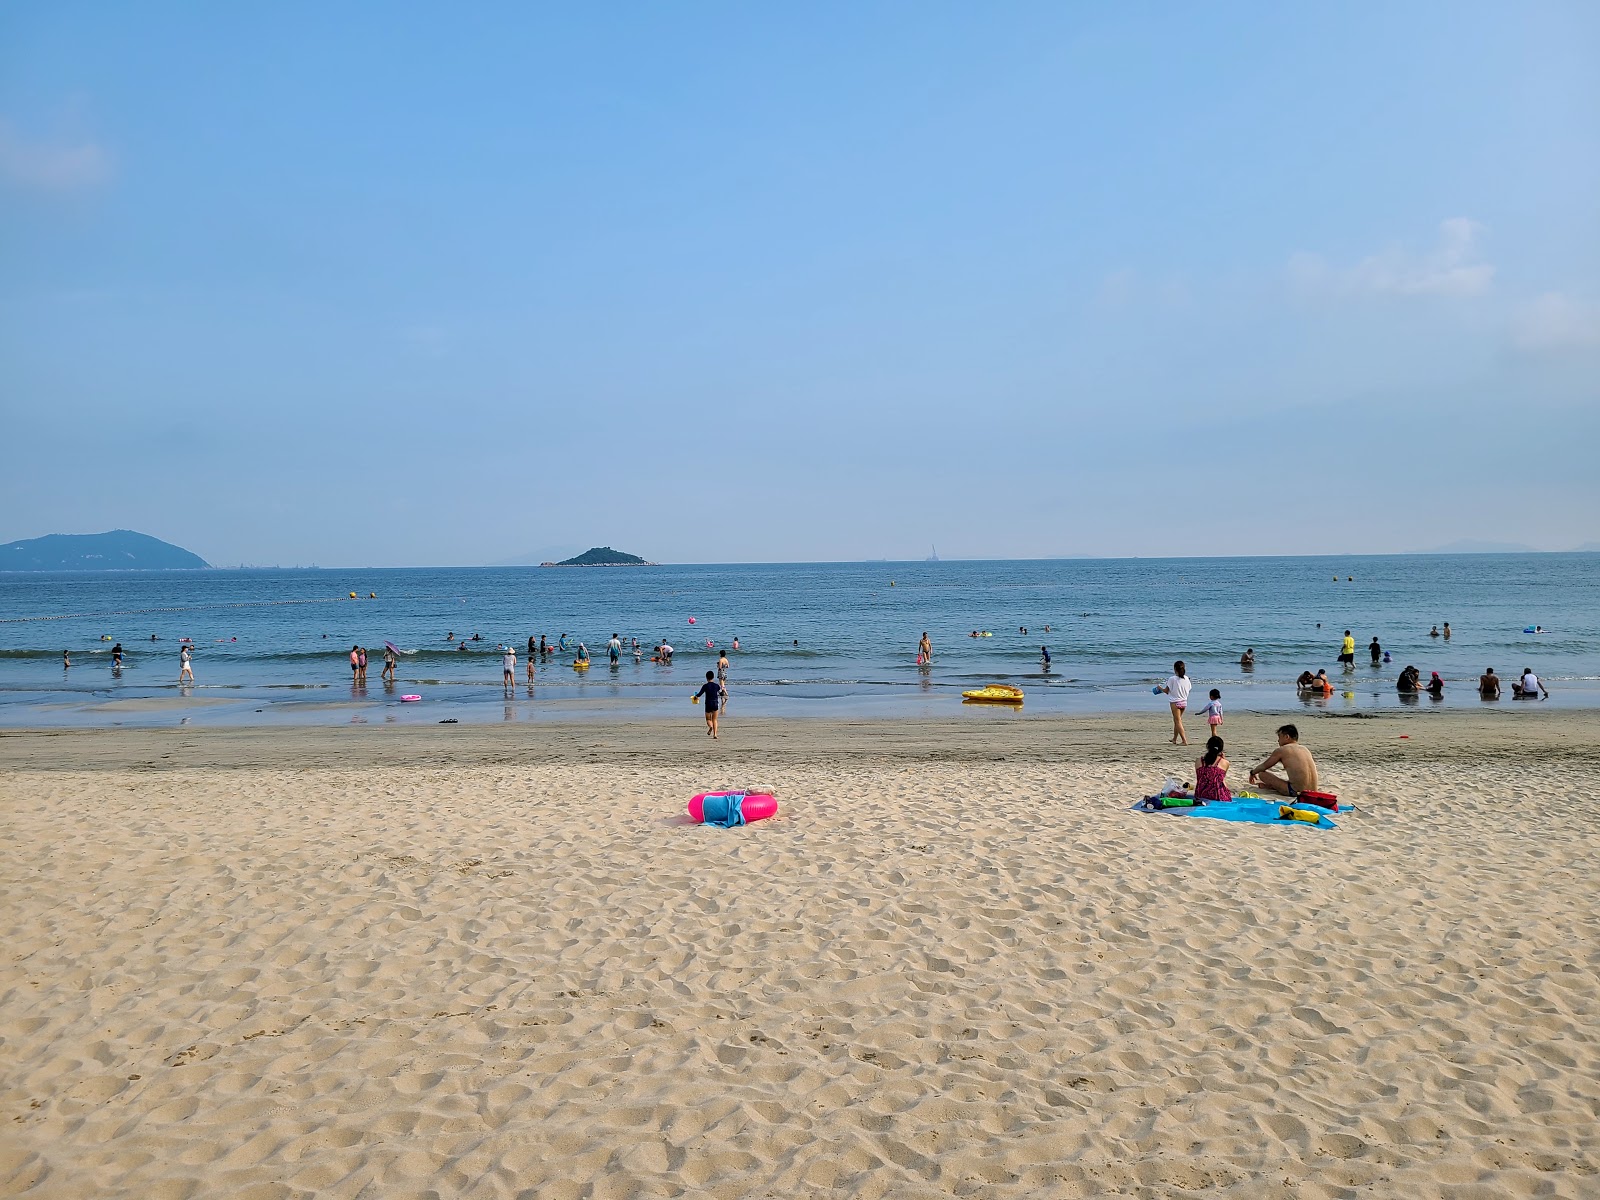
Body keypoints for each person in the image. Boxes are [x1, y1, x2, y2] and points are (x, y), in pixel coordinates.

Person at [1248, 724, 1319, 797]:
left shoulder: (1282, 750)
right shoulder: (1305, 749)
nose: (1278, 740)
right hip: (1313, 792)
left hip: (1296, 792)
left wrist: (1252, 773)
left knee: (1262, 774)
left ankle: (1273, 787)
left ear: (1286, 737)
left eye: (1279, 737)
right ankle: (1271, 787)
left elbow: (1264, 766)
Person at [1159, 660, 1191, 745]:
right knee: (1177, 720)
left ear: (1175, 669)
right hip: (1184, 702)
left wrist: (1160, 688)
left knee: (1178, 721)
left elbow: (1166, 691)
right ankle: (1174, 739)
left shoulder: (1172, 679)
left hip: (1175, 702)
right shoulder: (1186, 678)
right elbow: (1188, 689)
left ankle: (1184, 740)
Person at [1194, 736, 1231, 802]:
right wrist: (1223, 759)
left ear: (1208, 746)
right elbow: (1221, 780)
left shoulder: (1198, 761)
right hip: (1218, 797)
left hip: (1201, 795)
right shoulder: (1225, 763)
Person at [693, 670, 723, 738]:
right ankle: (715, 734)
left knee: (708, 719)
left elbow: (699, 694)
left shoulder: (705, 686)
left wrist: (695, 697)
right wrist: (723, 691)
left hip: (708, 704)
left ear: (706, 678)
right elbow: (721, 693)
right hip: (715, 703)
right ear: (713, 677)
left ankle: (710, 727)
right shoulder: (716, 686)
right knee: (714, 720)